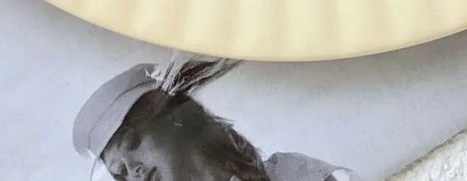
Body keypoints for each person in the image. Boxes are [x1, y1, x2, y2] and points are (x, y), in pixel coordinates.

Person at [73, 55, 357, 181]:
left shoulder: (293, 173)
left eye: (133, 144)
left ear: (174, 119)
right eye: (120, 174)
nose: (133, 171)